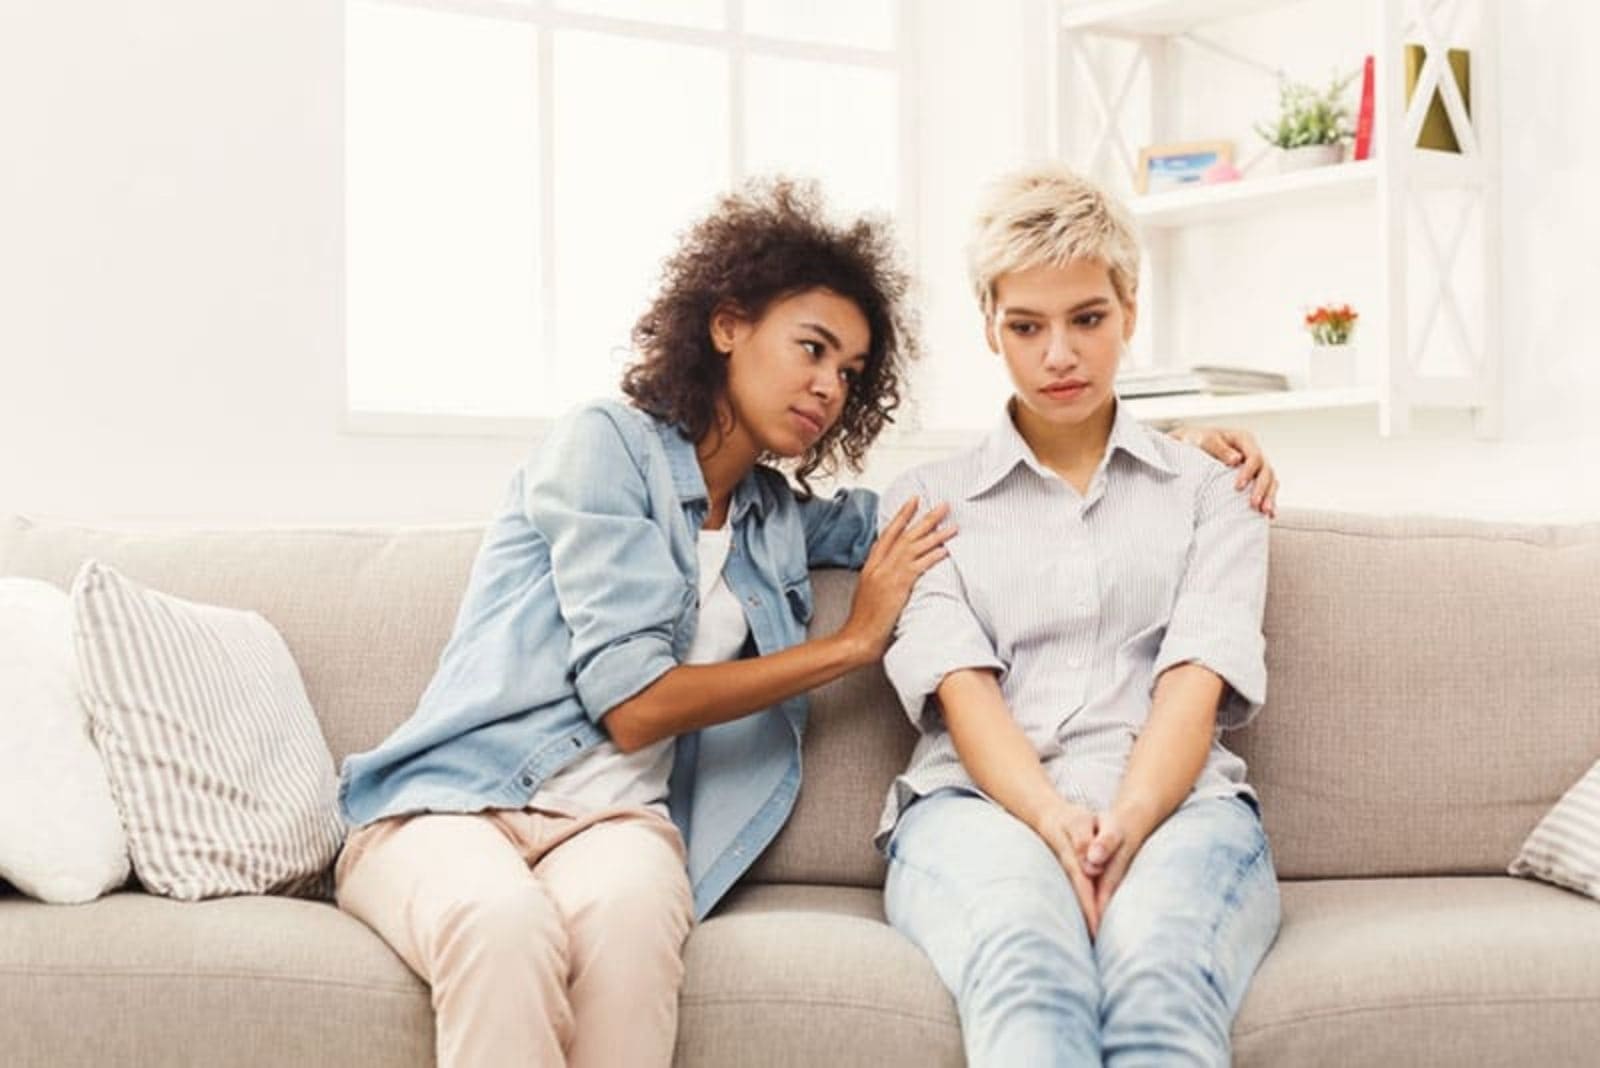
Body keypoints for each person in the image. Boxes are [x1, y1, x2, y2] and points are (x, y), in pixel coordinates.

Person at [335, 176, 1276, 1068]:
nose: (829, 387)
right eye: (812, 348)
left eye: (851, 369)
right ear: (728, 324)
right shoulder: (603, 445)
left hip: (611, 824)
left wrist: (1172, 450)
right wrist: (852, 645)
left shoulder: (774, 518)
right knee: (507, 927)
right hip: (463, 800)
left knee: (627, 932)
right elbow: (631, 703)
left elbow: (965, 507)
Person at [875, 163, 1281, 1067]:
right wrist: (1057, 822)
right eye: (1027, 326)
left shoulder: (1213, 491)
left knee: (1159, 975)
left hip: (1182, 808)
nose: (1059, 354)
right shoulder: (924, 501)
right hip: (979, 808)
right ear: (991, 328)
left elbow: (1193, 683)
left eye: (1087, 319)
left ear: (1129, 311)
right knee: (1030, 966)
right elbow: (963, 691)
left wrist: (1128, 820)